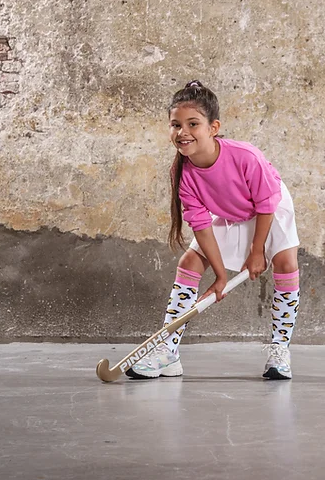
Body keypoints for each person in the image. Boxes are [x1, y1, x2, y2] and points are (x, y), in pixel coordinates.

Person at [127, 80, 301, 380]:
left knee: (285, 264)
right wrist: (220, 275)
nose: (182, 132)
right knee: (190, 262)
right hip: (230, 212)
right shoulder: (182, 173)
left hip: (270, 209)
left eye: (193, 124)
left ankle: (279, 350)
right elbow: (201, 225)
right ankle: (168, 352)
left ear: (213, 127)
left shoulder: (246, 156)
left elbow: (265, 203)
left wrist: (257, 251)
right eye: (175, 124)